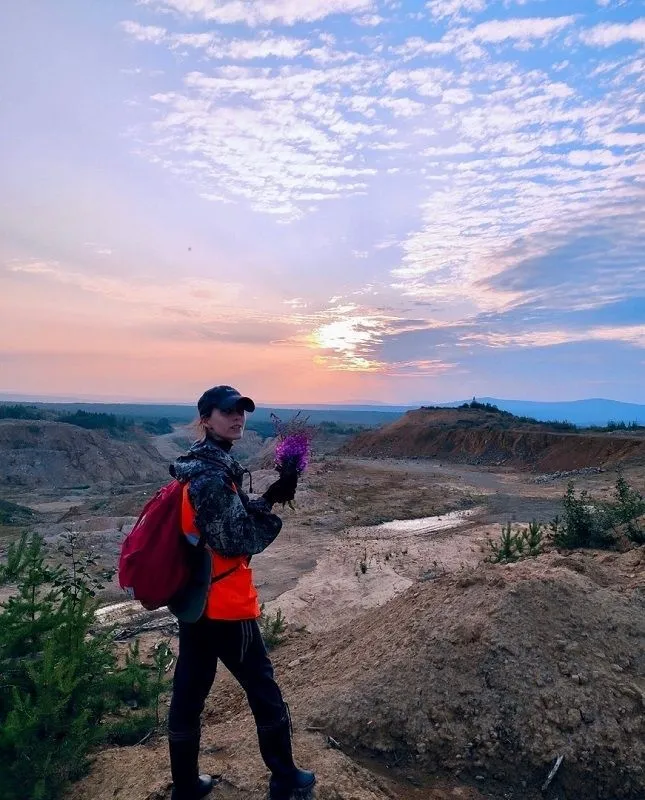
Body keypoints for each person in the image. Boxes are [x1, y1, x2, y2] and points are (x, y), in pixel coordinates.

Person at [166, 385, 315, 800]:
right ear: (205, 418)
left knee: (189, 693)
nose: (238, 418)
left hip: (197, 602)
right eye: (227, 411)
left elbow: (218, 527)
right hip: (227, 605)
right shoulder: (211, 476)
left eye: (242, 412)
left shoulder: (202, 467)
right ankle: (285, 779)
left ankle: (186, 786)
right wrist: (269, 511)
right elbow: (237, 540)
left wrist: (266, 496)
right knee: (264, 692)